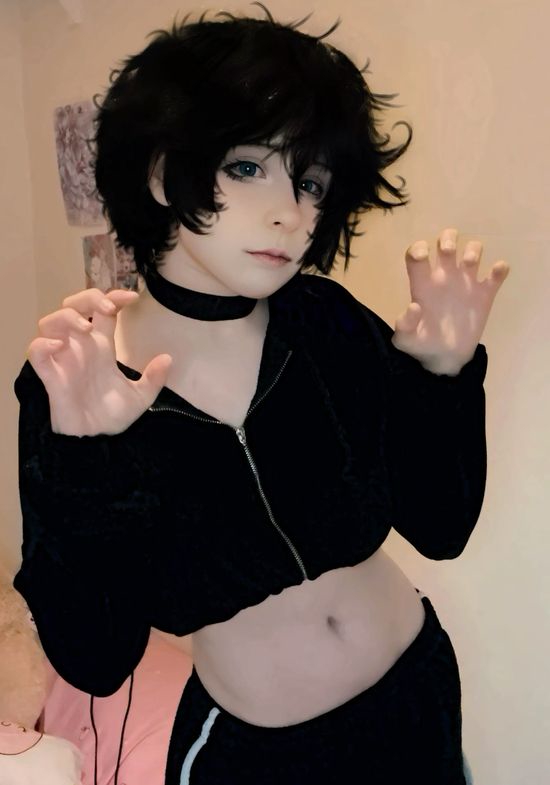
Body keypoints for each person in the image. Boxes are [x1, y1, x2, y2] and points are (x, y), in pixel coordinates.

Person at [13, 9, 509, 785]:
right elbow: (95, 657)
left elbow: (441, 524)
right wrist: (86, 464)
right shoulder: (82, 373)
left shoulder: (324, 323)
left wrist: (444, 375)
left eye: (309, 181)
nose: (290, 212)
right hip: (263, 757)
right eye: (248, 167)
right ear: (160, 171)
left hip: (415, 695)